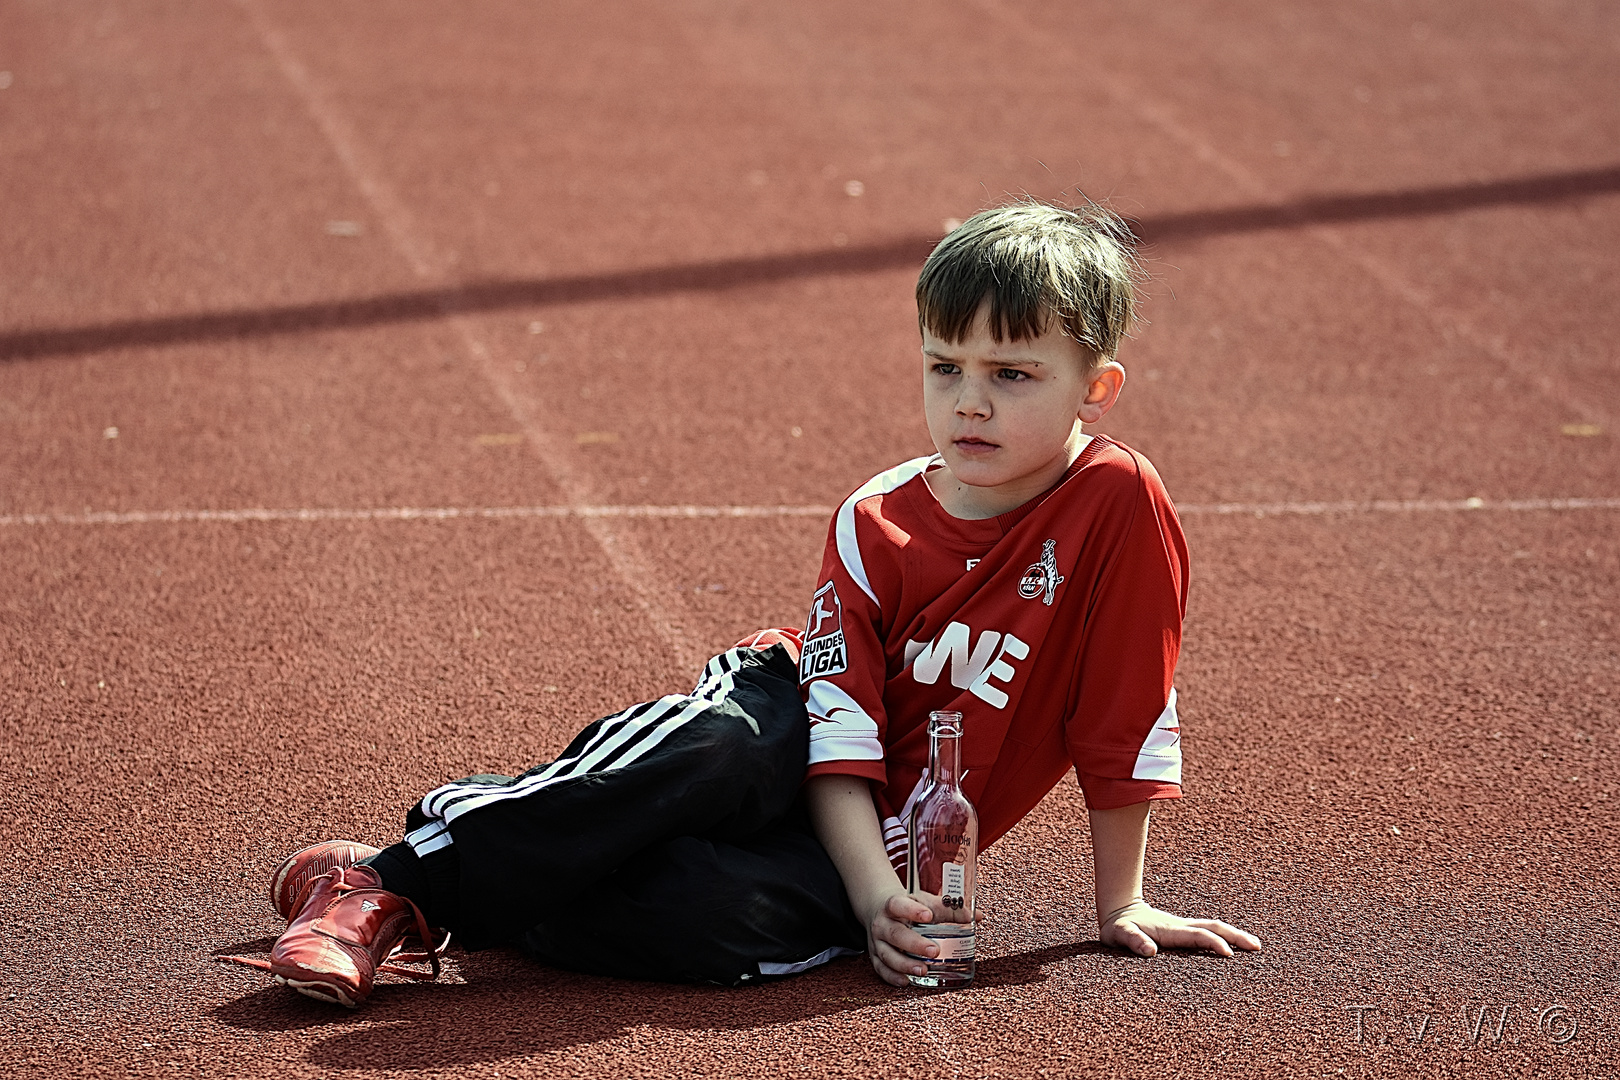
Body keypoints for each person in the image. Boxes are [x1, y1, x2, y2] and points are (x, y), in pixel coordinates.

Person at [245, 200, 1260, 1007]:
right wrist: (875, 902)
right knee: (719, 748)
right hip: (788, 716)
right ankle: (391, 879)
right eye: (944, 367)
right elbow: (838, 721)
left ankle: (512, 867)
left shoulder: (1121, 503)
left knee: (713, 919)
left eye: (1012, 373)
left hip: (888, 831)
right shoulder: (878, 518)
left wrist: (1118, 898)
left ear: (1099, 385)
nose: (970, 401)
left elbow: (1124, 709)